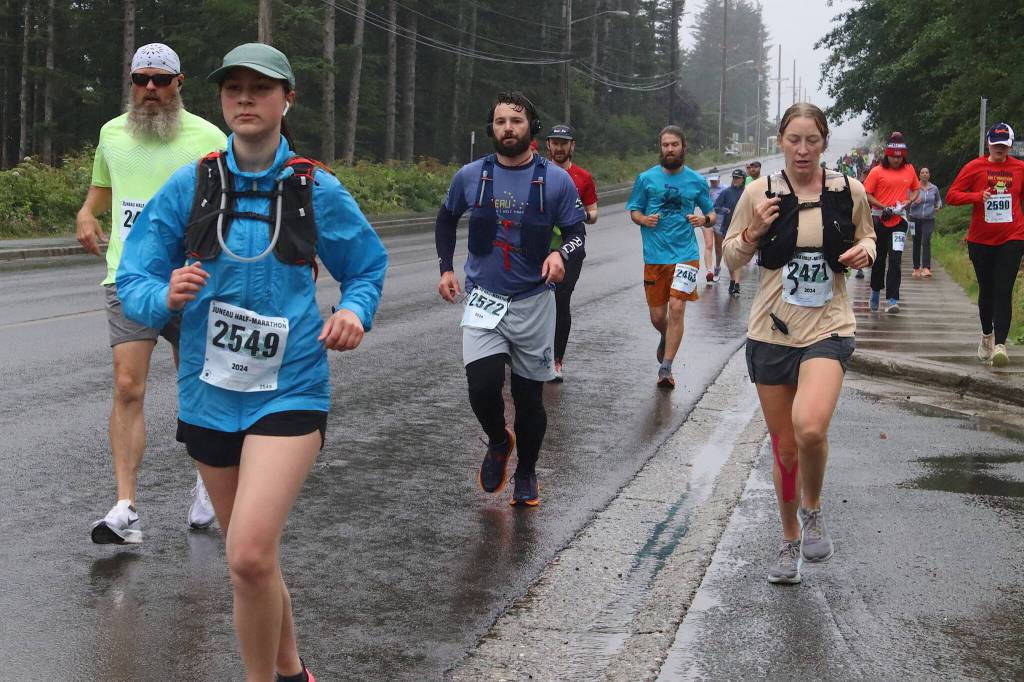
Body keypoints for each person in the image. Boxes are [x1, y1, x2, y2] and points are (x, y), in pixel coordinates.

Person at [116, 43, 388, 681]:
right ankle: (294, 673)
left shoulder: (313, 186)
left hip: (289, 389)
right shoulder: (192, 183)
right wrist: (165, 294)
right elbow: (135, 275)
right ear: (220, 99)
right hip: (208, 390)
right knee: (255, 561)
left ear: (285, 99)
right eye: (233, 87)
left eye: (260, 88)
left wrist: (354, 312)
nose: (244, 98)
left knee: (246, 553)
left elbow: (367, 267)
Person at [76, 43, 226, 544]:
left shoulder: (209, 137)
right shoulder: (112, 134)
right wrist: (85, 213)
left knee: (200, 384)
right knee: (127, 386)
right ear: (132, 82)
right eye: (142, 79)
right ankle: (125, 507)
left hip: (194, 279)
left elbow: (231, 203)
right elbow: (103, 192)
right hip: (129, 278)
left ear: (179, 83)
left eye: (161, 80)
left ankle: (207, 483)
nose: (151, 90)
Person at [723, 102, 875, 585]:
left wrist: (865, 252)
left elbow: (869, 237)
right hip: (771, 332)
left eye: (812, 140)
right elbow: (731, 258)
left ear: (825, 142)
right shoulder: (757, 192)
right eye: (794, 140)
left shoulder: (848, 190)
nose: (803, 149)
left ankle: (813, 509)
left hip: (829, 327)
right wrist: (754, 230)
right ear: (781, 142)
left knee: (809, 428)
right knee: (785, 450)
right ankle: (790, 538)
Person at [436, 92, 586, 507]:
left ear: (531, 128)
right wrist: (446, 267)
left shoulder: (555, 180)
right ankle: (500, 440)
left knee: (527, 397)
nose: (508, 128)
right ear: (492, 129)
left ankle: (527, 472)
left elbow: (577, 235)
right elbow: (446, 218)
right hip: (484, 299)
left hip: (533, 301)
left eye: (516, 121)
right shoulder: (470, 176)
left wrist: (559, 253)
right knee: (481, 385)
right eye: (500, 121)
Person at [627, 125, 715, 389]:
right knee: (657, 316)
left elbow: (712, 215)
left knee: (677, 307)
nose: (669, 149)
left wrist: (703, 219)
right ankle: (666, 335)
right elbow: (634, 211)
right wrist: (644, 219)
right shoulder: (646, 179)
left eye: (674, 144)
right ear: (660, 148)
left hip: (686, 254)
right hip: (654, 256)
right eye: (665, 145)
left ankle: (666, 369)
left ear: (683, 147)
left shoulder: (696, 181)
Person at [946, 122, 1024, 367]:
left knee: (1003, 289)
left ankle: (1000, 345)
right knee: (987, 290)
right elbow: (951, 196)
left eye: (1004, 144)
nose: (1000, 149)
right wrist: (977, 196)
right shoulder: (975, 167)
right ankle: (987, 335)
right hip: (980, 240)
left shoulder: (1020, 168)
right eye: (996, 144)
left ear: (1010, 145)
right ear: (988, 143)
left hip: (1012, 236)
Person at [545, 123, 598, 383]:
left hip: (570, 247)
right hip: (540, 247)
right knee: (529, 300)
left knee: (559, 302)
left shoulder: (583, 178)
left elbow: (594, 214)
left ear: (572, 146)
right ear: (548, 145)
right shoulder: (536, 171)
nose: (559, 147)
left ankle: (556, 360)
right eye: (555, 142)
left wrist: (578, 214)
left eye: (563, 143)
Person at [863, 131, 919, 313]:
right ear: (887, 155)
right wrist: (882, 205)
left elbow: (916, 189)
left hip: (899, 221)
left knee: (895, 259)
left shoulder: (909, 170)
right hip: (879, 219)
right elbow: (867, 194)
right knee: (879, 259)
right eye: (893, 157)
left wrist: (909, 201)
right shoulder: (877, 171)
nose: (896, 160)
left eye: (900, 157)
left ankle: (893, 299)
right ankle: (875, 291)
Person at [713, 168, 747, 296]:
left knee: (737, 256)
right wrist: (724, 210)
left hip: (742, 228)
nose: (735, 180)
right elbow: (715, 207)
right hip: (727, 228)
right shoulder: (726, 192)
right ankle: (733, 281)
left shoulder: (746, 193)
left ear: (743, 179)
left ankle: (737, 284)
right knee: (729, 256)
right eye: (734, 178)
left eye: (738, 178)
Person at [910, 166, 942, 278]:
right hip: (914, 218)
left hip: (929, 219)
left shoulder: (934, 188)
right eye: (922, 172)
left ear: (929, 175)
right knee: (916, 242)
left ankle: (926, 268)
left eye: (926, 172)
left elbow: (938, 200)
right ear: (919, 175)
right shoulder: (914, 187)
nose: (924, 174)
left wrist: (938, 206)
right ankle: (916, 268)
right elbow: (907, 202)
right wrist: (914, 202)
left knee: (926, 240)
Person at [703, 168, 723, 283]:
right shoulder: (705, 189)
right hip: (706, 220)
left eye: (715, 180)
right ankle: (709, 271)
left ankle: (717, 266)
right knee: (709, 244)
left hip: (720, 221)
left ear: (719, 178)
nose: (713, 182)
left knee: (718, 247)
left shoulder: (725, 189)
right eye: (711, 180)